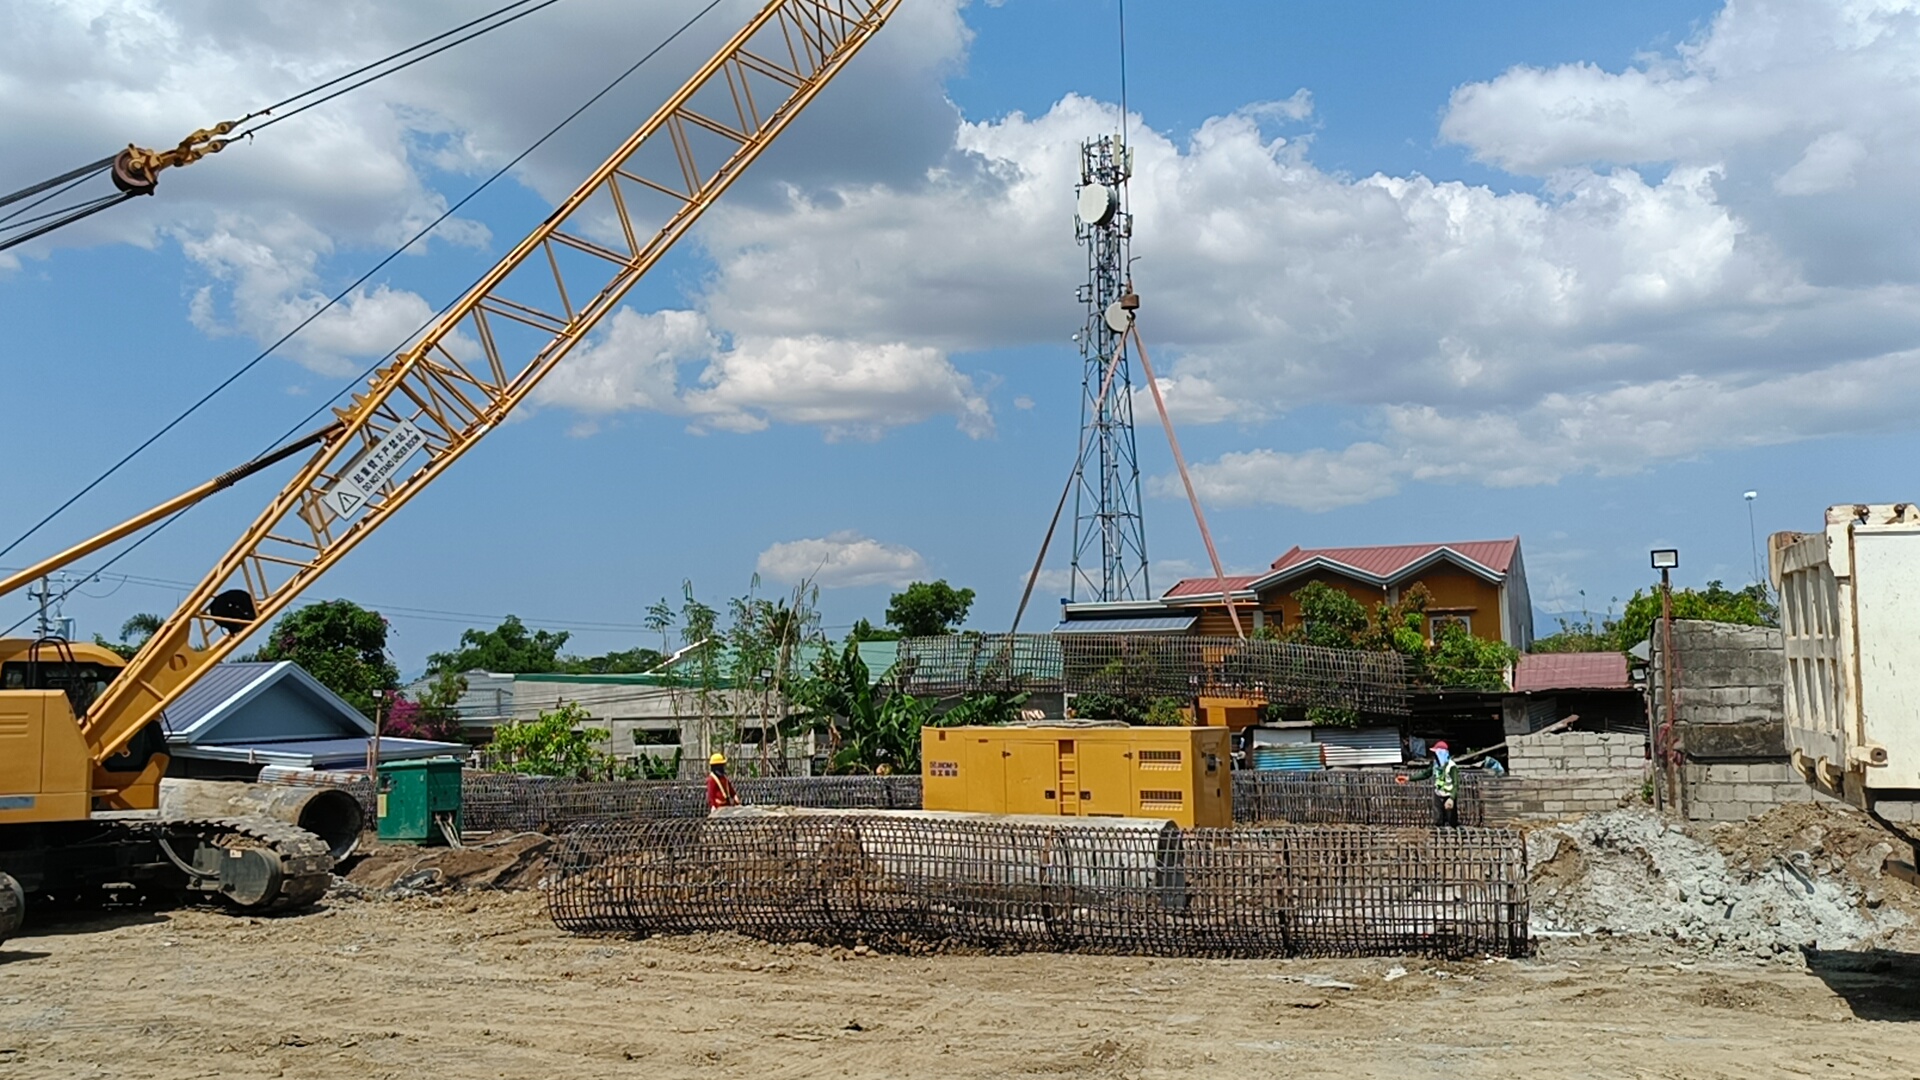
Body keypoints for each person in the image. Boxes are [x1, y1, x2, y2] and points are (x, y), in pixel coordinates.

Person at [1426, 740, 1460, 827]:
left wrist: (1452, 798)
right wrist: (1409, 778)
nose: (1434, 756)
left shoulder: (1451, 766)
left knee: (1451, 819)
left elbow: (1455, 784)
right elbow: (1426, 773)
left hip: (1448, 794)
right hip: (1438, 793)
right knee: (1438, 818)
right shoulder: (1435, 765)